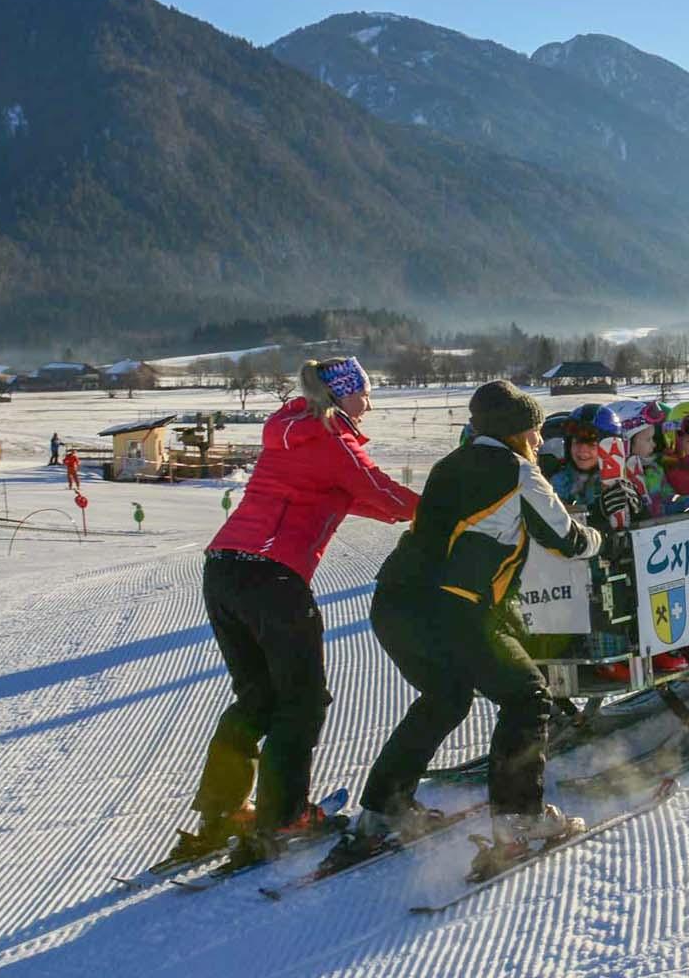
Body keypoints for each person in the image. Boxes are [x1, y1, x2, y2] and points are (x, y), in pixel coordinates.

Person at [167, 358, 418, 865]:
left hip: (223, 571)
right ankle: (285, 815)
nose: (369, 404)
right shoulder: (331, 439)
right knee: (302, 702)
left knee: (257, 697)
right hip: (272, 578)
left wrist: (398, 511)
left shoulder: (291, 433)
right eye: (364, 393)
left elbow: (350, 498)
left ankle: (221, 810)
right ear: (342, 394)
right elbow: (379, 491)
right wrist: (444, 510)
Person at [351, 381, 595, 863]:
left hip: (395, 602)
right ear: (518, 431)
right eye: (536, 429)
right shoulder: (519, 471)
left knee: (445, 697)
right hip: (456, 609)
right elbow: (566, 539)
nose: (540, 439)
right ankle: (521, 819)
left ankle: (383, 809)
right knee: (527, 696)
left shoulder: (449, 464)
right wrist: (597, 537)